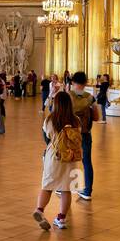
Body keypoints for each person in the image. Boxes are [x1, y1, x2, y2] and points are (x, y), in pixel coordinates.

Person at [34, 91, 81, 230]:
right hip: (71, 158)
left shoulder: (49, 119)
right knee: (66, 189)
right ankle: (61, 218)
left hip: (53, 156)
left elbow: (46, 138)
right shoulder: (75, 120)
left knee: (47, 186)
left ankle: (40, 210)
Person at [68, 72, 102, 202]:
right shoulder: (90, 98)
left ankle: (64, 187)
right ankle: (87, 191)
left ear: (73, 82)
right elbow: (96, 117)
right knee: (87, 162)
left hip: (69, 134)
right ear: (86, 82)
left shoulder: (67, 96)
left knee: (67, 161)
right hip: (85, 133)